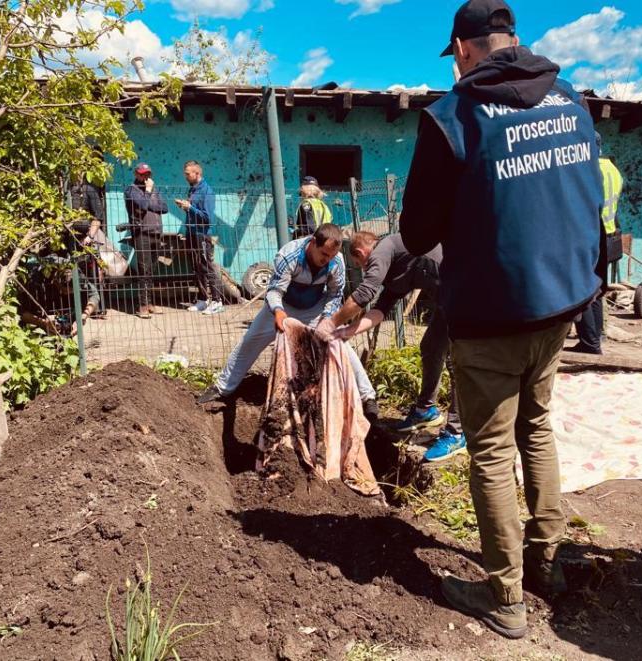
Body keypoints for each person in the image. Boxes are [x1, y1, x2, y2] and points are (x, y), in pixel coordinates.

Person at [399, 0, 605, 640]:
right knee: (537, 429)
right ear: (513, 39)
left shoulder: (454, 117)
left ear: (462, 48)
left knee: (489, 451)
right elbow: (588, 193)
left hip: (492, 311)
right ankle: (547, 562)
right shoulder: (569, 99)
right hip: (562, 304)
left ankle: (506, 597)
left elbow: (415, 231)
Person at [197, 224, 378, 420]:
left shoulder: (336, 262)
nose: (327, 260)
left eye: (332, 255)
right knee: (250, 340)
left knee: (339, 343)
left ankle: (367, 397)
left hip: (315, 308)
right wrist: (278, 312)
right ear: (312, 243)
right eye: (324, 254)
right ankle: (222, 388)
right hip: (283, 305)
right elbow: (274, 291)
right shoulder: (289, 255)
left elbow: (335, 294)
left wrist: (328, 319)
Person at [328, 231, 465, 461]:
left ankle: (457, 432)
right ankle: (425, 410)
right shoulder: (397, 268)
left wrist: (330, 324)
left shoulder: (383, 249)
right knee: (431, 346)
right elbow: (379, 310)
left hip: (462, 293)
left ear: (361, 252)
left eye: (359, 264)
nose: (364, 269)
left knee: (457, 363)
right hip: (446, 300)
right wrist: (347, 332)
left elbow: (364, 293)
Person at [569, 135, 624, 355]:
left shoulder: (590, 170)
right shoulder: (612, 169)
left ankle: (590, 342)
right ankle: (598, 335)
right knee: (598, 289)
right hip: (608, 235)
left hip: (591, 236)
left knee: (585, 291)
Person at [176, 161, 224, 316]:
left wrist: (190, 208)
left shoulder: (206, 191)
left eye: (188, 174)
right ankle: (203, 299)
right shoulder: (193, 190)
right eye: (185, 173)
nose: (185, 176)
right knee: (197, 267)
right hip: (192, 233)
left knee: (207, 267)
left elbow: (207, 218)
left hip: (202, 234)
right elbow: (194, 212)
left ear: (197, 173)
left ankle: (217, 301)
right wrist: (186, 207)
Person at [125, 163, 168, 319]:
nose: (146, 177)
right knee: (144, 270)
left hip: (156, 234)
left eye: (147, 174)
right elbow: (142, 205)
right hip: (141, 233)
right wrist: (148, 195)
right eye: (142, 174)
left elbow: (164, 208)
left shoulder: (154, 189)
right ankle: (142, 305)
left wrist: (149, 201)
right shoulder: (131, 190)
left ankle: (150, 303)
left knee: (151, 270)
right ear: (136, 174)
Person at [70, 173, 108, 319]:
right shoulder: (65, 190)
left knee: (93, 275)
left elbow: (98, 217)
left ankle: (97, 309)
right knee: (74, 275)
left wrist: (89, 236)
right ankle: (76, 310)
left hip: (85, 240)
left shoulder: (89, 190)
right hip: (66, 240)